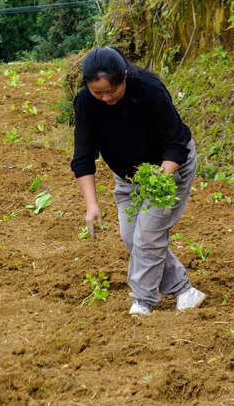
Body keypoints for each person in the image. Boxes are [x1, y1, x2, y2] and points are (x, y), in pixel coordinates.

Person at [71, 46, 205, 315]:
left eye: (111, 90)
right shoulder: (85, 103)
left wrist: (160, 180)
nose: (106, 98)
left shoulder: (150, 91)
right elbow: (83, 157)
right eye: (98, 92)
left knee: (148, 235)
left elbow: (175, 144)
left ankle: (142, 301)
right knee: (132, 236)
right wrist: (91, 205)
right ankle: (184, 291)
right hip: (129, 177)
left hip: (170, 169)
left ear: (124, 76)